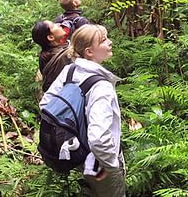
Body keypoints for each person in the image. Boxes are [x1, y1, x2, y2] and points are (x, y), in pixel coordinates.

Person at [40, 24, 125, 197]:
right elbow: (99, 139)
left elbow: (45, 105)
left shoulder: (69, 70)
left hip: (80, 156)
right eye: (103, 40)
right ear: (89, 52)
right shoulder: (101, 86)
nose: (110, 42)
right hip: (101, 164)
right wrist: (111, 165)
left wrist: (74, 136)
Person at [31, 20, 72, 92]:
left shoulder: (45, 56)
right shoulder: (66, 55)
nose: (59, 24)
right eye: (53, 25)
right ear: (50, 37)